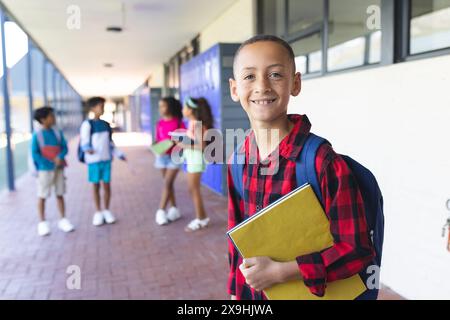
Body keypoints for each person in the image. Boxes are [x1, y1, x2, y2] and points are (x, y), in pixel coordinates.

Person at [227, 35, 375, 300]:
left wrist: (283, 272)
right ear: (234, 88)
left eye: (275, 74)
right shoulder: (238, 160)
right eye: (249, 76)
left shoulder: (320, 161)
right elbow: (237, 244)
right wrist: (237, 294)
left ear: (295, 83)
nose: (262, 86)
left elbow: (357, 250)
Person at [79, 97, 126, 227]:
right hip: (93, 161)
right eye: (100, 106)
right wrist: (87, 149)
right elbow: (84, 142)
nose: (102, 108)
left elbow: (111, 143)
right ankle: (98, 211)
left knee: (106, 185)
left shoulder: (106, 124)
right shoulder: (87, 125)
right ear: (93, 108)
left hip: (106, 160)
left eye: (103, 106)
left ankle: (106, 210)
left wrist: (119, 154)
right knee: (95, 186)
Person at [31, 106, 74, 236]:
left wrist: (59, 157)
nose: (53, 118)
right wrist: (50, 162)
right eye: (51, 116)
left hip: (59, 169)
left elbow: (65, 148)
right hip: (44, 171)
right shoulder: (37, 136)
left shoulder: (57, 133)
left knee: (60, 193)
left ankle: (63, 219)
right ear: (43, 120)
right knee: (42, 195)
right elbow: (35, 154)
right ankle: (42, 223)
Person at [176, 97, 213, 232]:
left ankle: (201, 219)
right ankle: (202, 217)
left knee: (194, 189)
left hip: (196, 159)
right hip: (192, 159)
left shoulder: (196, 123)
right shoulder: (192, 123)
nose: (182, 110)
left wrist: (182, 143)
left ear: (191, 110)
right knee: (192, 189)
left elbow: (201, 145)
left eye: (184, 107)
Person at [154, 97, 185, 226]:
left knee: (167, 183)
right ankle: (174, 209)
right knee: (168, 184)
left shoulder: (179, 123)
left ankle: (160, 211)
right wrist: (157, 148)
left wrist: (174, 141)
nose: (161, 109)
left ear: (170, 107)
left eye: (163, 106)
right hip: (162, 157)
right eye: (159, 106)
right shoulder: (159, 123)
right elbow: (157, 139)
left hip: (175, 156)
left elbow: (184, 140)